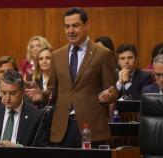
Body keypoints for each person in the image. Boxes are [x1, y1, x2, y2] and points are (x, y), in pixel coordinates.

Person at [28, 7, 118, 148]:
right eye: (67, 26)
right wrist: (42, 96)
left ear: (87, 25)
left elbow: (112, 90)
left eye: (75, 26)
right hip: (62, 128)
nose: (70, 31)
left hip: (91, 127)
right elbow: (53, 90)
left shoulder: (103, 53)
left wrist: (109, 95)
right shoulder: (57, 56)